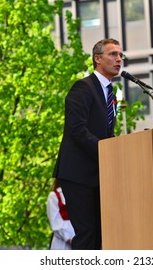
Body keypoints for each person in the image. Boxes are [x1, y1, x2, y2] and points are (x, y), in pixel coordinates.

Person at [52, 38, 124, 250]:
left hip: (100, 173)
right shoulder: (82, 88)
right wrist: (106, 150)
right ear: (97, 59)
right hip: (78, 174)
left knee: (103, 232)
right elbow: (77, 129)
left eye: (121, 55)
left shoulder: (111, 95)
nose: (119, 59)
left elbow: (104, 133)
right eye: (113, 54)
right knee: (87, 233)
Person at [47, 178, 75, 250]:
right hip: (62, 242)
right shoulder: (54, 196)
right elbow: (55, 223)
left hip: (78, 237)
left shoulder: (77, 195)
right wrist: (69, 238)